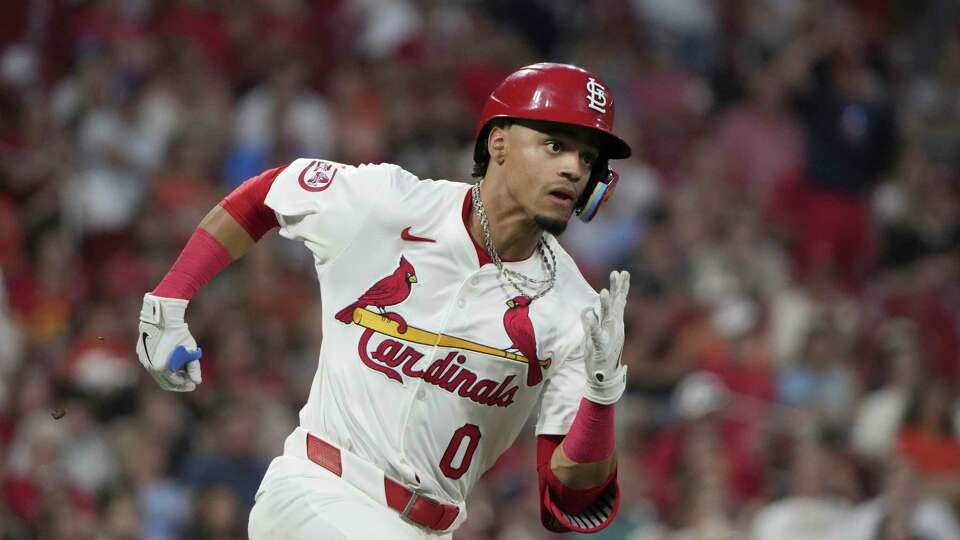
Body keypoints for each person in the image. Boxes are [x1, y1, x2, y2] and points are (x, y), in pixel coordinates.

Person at [135, 63, 634, 538]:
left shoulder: (577, 312)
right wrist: (168, 301)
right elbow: (266, 195)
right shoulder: (390, 206)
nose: (573, 168)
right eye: (555, 145)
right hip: (318, 491)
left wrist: (600, 392)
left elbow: (570, 496)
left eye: (587, 159)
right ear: (498, 142)